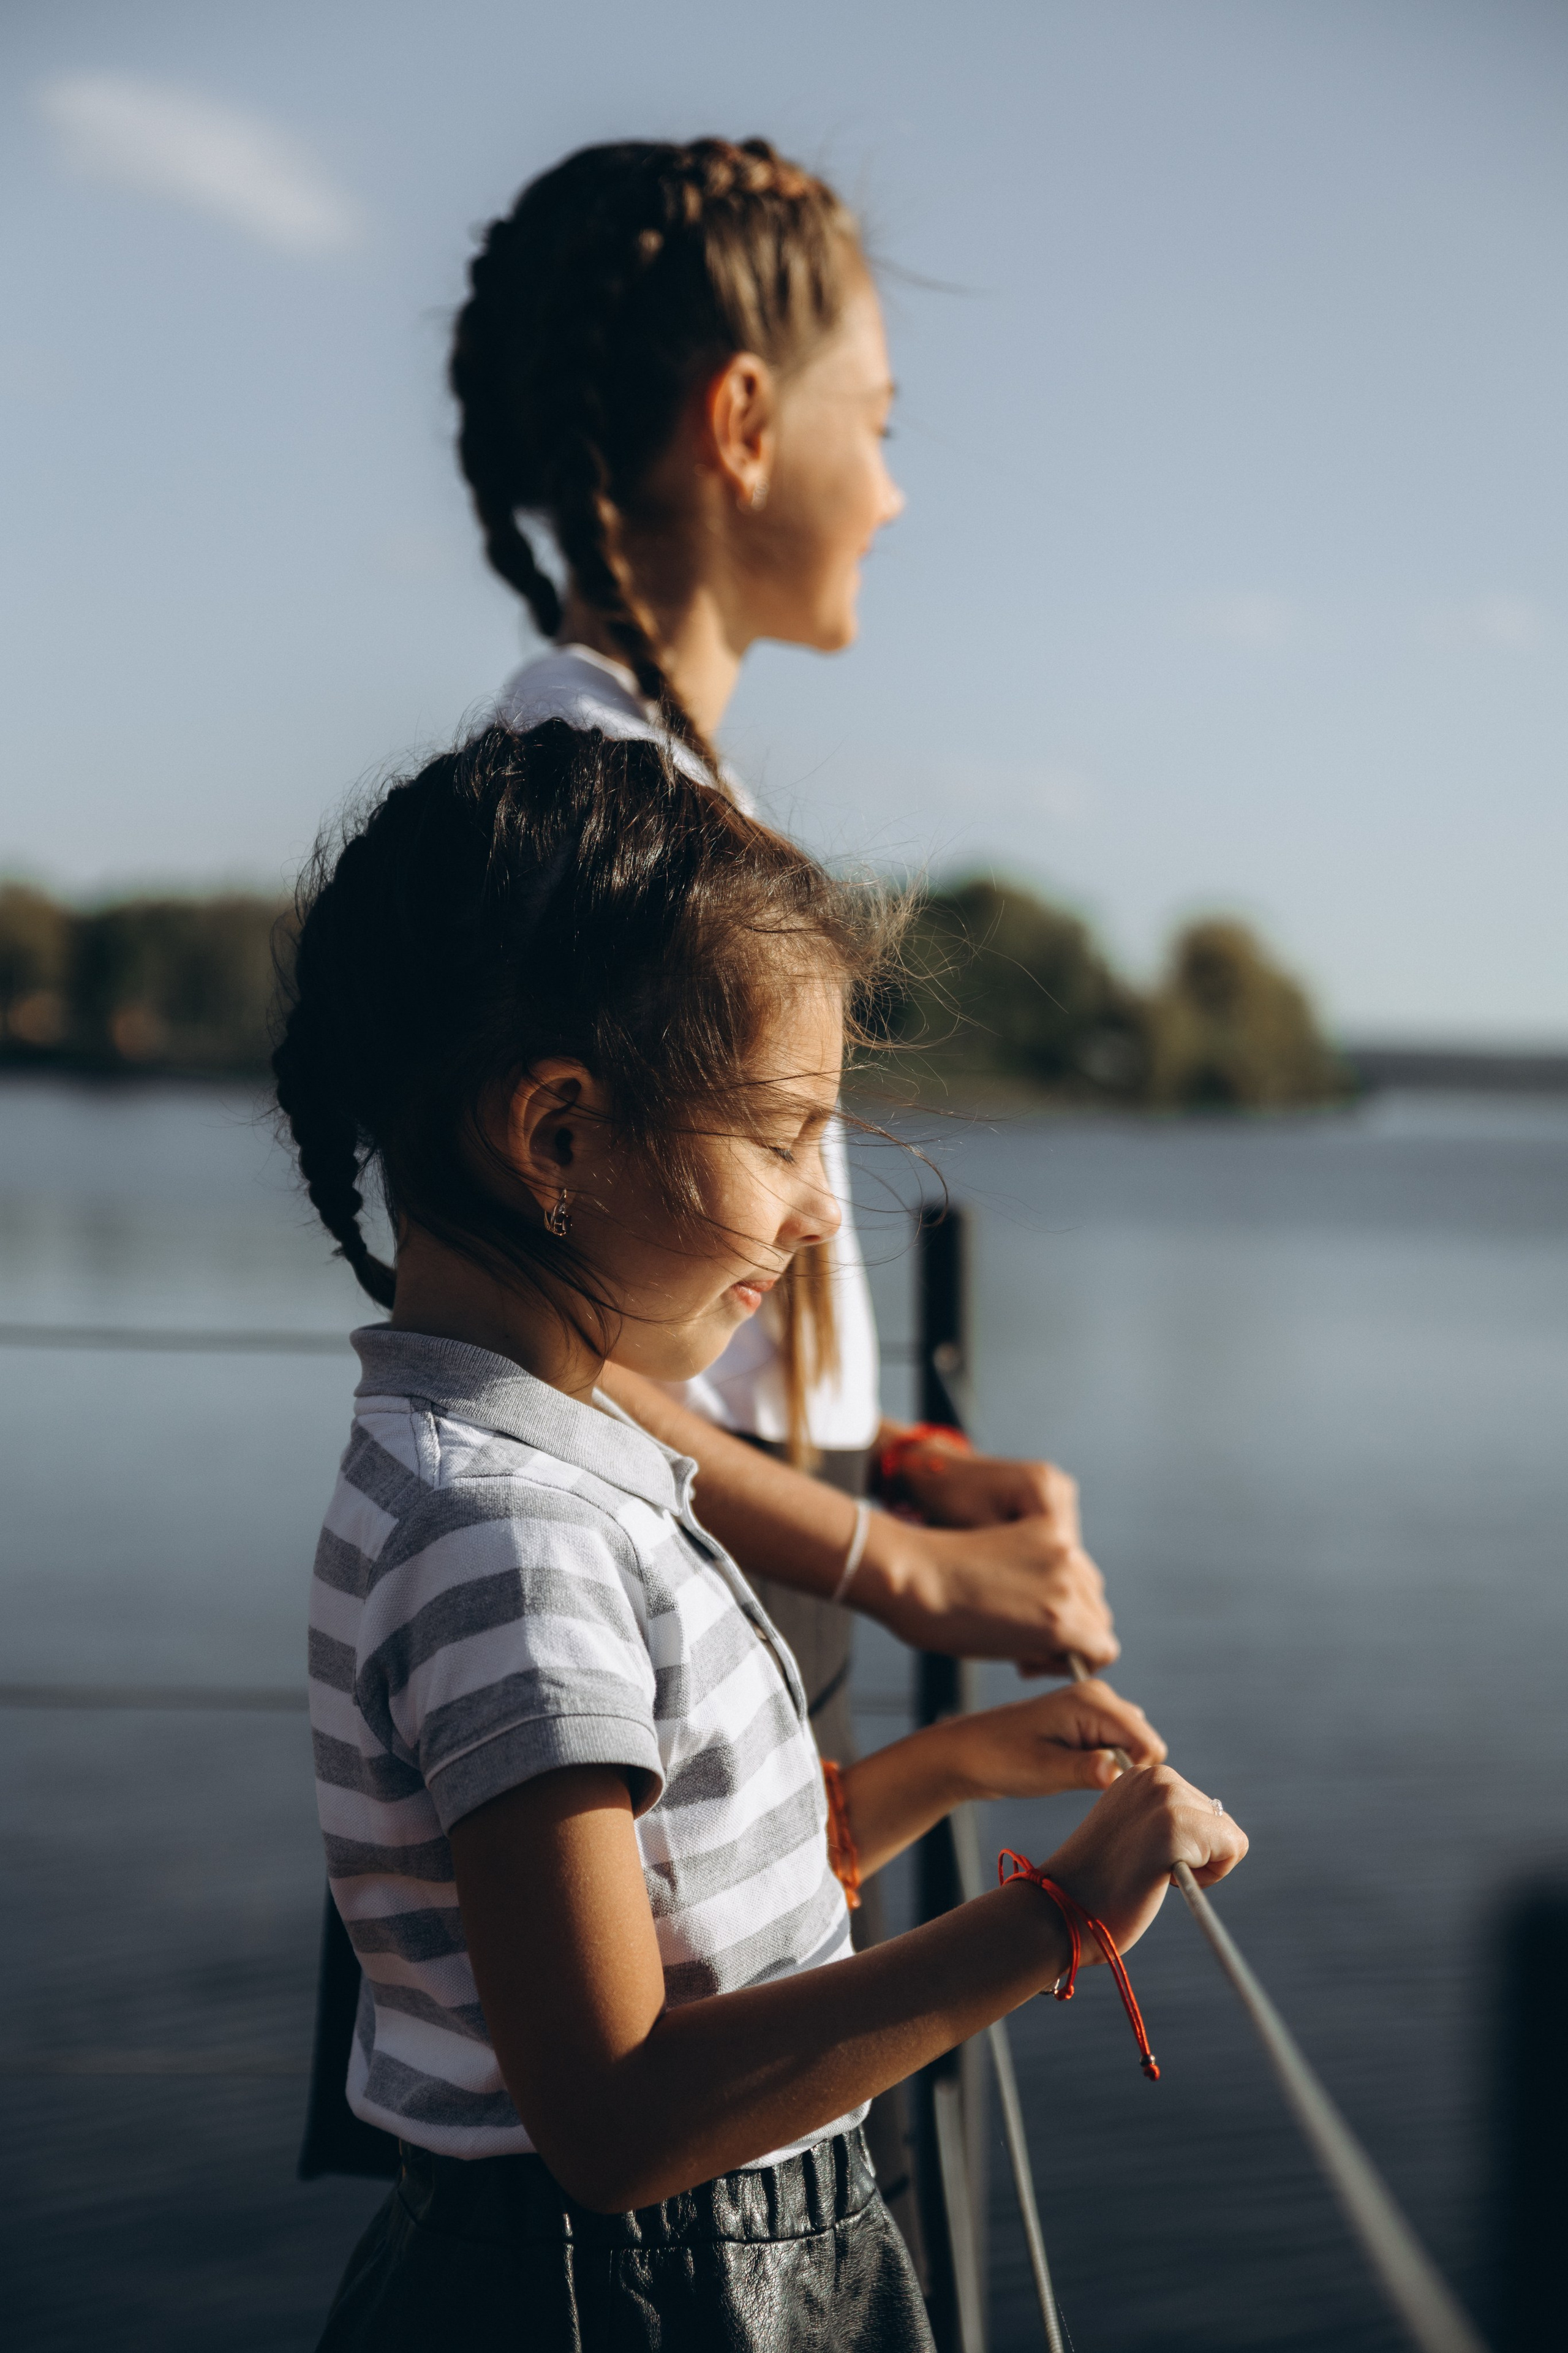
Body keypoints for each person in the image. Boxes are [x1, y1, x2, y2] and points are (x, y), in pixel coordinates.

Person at [276, 722, 1247, 2351]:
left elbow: (666, 1912)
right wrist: (1055, 1920)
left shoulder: (539, 1466)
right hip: (642, 2294)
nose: (817, 1209)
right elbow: (619, 2110)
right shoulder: (509, 1536)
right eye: (786, 1133)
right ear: (561, 1137)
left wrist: (947, 1770)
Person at [447, 136, 1118, 1726]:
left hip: (732, 1594)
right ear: (743, 423)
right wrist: (901, 1563)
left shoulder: (658, 785)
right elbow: (528, 1330)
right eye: (876, 424)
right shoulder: (592, 810)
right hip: (663, 1647)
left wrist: (887, 1463)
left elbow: (661, 1316)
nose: (893, 490)